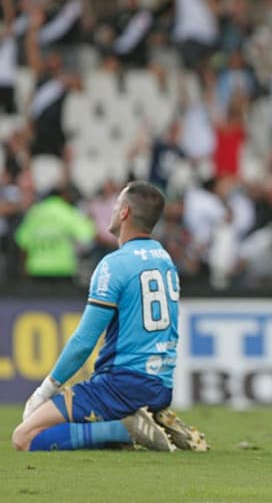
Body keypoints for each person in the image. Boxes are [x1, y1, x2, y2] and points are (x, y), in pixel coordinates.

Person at [11, 181, 208, 452]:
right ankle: (145, 423)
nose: (112, 210)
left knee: (25, 437)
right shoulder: (164, 259)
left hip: (120, 386)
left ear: (125, 212)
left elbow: (84, 340)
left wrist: (45, 390)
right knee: (67, 429)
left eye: (116, 205)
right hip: (160, 386)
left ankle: (127, 429)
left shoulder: (114, 264)